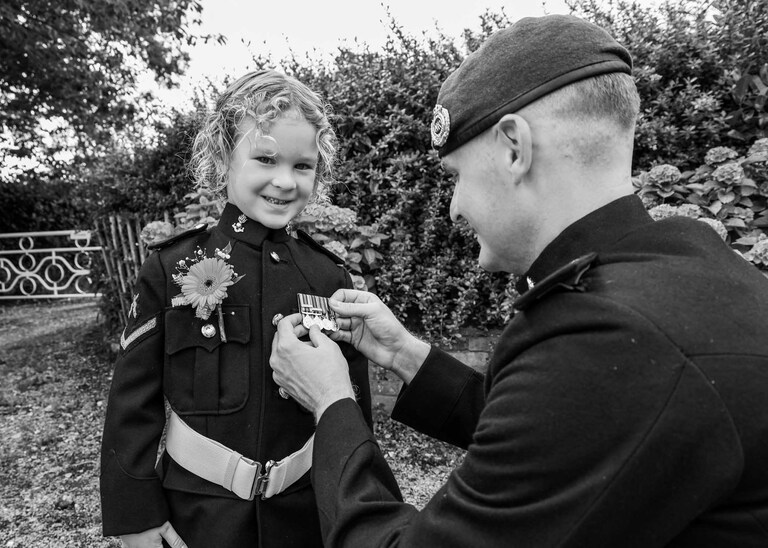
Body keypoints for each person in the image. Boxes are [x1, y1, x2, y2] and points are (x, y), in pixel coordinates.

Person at [270, 14, 768, 547]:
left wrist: (331, 402)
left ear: (514, 147)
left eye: (457, 177)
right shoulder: (687, 276)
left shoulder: (608, 338)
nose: (456, 207)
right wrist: (404, 354)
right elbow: (558, 434)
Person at [100, 69, 372, 548]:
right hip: (199, 520)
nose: (285, 181)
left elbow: (351, 408)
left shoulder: (329, 277)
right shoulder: (173, 267)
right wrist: (134, 516)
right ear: (225, 156)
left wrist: (354, 511)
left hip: (303, 517)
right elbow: (132, 404)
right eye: (265, 158)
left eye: (303, 166)